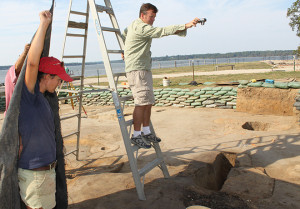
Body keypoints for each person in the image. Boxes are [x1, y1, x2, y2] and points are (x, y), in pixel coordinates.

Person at [122, 3, 200, 149]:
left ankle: (146, 131)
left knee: (148, 101)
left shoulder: (133, 25)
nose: (153, 20)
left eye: (154, 17)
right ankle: (136, 135)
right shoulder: (141, 27)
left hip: (143, 68)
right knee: (140, 103)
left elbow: (123, 33)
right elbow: (162, 31)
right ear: (142, 15)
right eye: (151, 17)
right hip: (137, 70)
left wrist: (123, 49)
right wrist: (185, 25)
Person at [17, 10, 73, 209]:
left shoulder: (42, 99)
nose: (59, 83)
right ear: (47, 76)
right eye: (58, 79)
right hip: (36, 176)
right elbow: (32, 63)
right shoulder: (29, 95)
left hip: (45, 174)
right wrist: (43, 25)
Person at [4, 43, 30, 113]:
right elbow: (17, 67)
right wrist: (25, 52)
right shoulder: (12, 72)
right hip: (14, 116)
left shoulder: (27, 75)